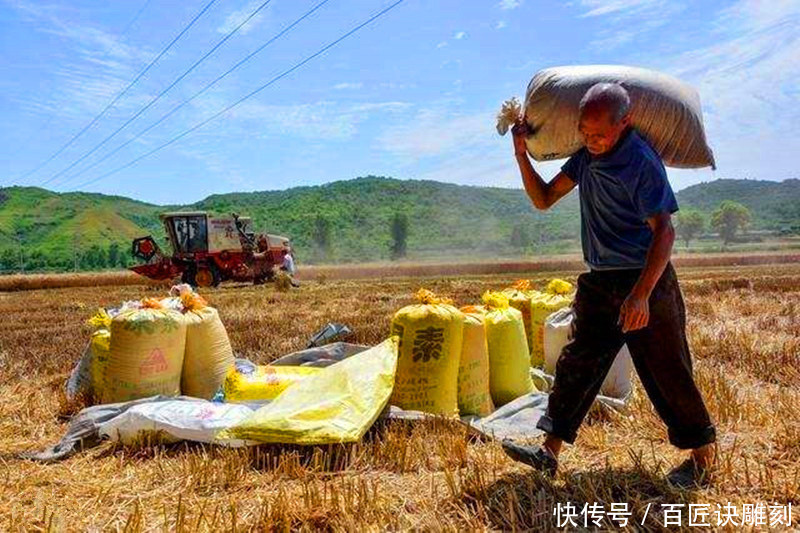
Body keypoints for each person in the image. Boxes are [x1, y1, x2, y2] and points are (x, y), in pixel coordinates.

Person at [502, 82, 717, 488]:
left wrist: (641, 295)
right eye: (585, 132)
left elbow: (665, 232)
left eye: (600, 134)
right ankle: (548, 450)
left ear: (625, 123)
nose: (592, 140)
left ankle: (703, 459)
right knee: (578, 363)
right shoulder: (586, 159)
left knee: (668, 370)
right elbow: (545, 198)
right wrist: (520, 156)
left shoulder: (639, 161)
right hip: (600, 282)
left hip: (645, 280)